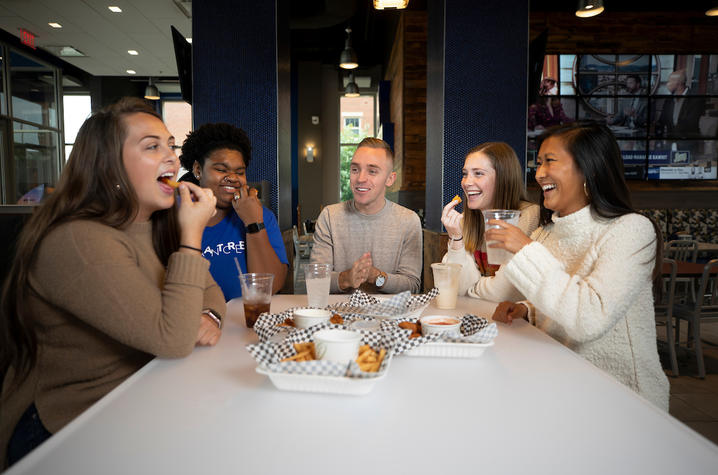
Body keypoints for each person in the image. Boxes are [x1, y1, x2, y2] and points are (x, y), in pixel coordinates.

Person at [0, 98, 226, 468]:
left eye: (171, 145)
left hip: (137, 400)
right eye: (152, 147)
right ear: (109, 167)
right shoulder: (79, 239)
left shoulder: (156, 226)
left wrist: (211, 318)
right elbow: (172, 338)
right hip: (64, 428)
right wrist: (192, 236)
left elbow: (213, 293)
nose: (172, 158)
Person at [481, 122, 669, 410]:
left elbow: (588, 318)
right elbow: (564, 296)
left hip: (623, 399)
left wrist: (525, 250)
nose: (539, 173)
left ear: (589, 169)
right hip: (563, 385)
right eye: (539, 162)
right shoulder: (547, 233)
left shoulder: (630, 230)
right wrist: (528, 310)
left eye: (550, 161)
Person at [179, 123, 288, 300]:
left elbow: (272, 287)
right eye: (221, 169)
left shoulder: (263, 216)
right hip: (195, 322)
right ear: (198, 169)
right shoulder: (177, 215)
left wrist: (253, 223)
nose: (233, 178)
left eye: (240, 172)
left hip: (246, 322)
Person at [310, 137, 422, 294]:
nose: (360, 179)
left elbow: (412, 285)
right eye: (355, 169)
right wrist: (346, 278)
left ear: (390, 179)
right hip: (338, 315)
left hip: (390, 316)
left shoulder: (409, 221)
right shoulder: (329, 216)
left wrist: (376, 277)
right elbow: (316, 281)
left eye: (372, 171)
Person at [441, 142, 539, 297]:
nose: (466, 182)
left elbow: (502, 293)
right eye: (465, 173)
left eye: (478, 173)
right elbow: (456, 288)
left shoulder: (529, 216)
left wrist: (471, 288)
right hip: (476, 316)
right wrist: (456, 239)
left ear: (503, 178)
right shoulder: (465, 220)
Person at [655, 69, 705, 138]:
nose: (667, 84)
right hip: (670, 140)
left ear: (678, 83)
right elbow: (661, 121)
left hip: (687, 140)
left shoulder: (696, 100)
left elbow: (691, 124)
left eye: (670, 81)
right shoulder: (669, 100)